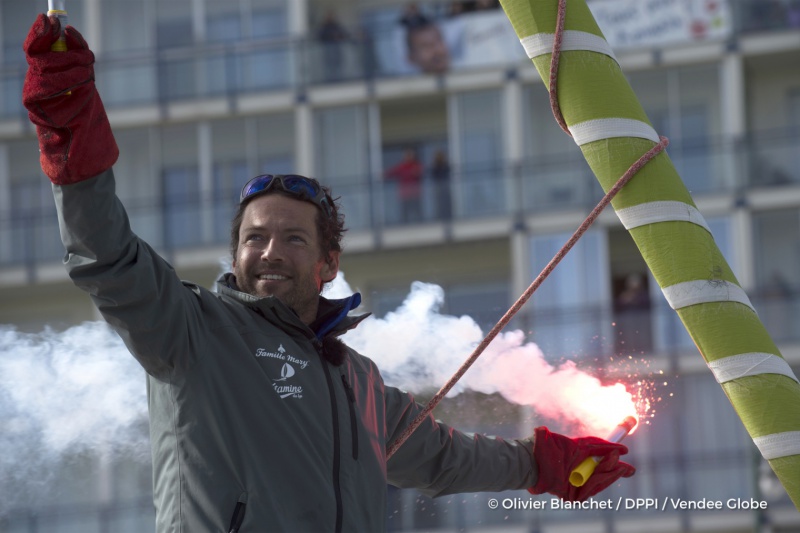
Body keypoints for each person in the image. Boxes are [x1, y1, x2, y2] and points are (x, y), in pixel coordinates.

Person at [23, 14, 635, 533]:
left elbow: (445, 458)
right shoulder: (192, 330)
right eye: (254, 238)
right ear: (235, 255)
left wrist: (543, 464)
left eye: (292, 239)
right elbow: (107, 255)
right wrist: (69, 127)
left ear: (327, 264)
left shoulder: (358, 382)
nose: (269, 252)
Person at [385, 147, 424, 223]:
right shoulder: (402, 166)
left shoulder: (416, 165)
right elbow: (392, 172)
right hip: (405, 194)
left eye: (410, 155)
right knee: (405, 212)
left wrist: (416, 172)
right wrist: (383, 175)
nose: (408, 157)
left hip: (414, 193)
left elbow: (421, 171)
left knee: (417, 211)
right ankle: (405, 223)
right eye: (407, 155)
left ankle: (419, 222)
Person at [317, 9, 350, 82]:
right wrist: (330, 36)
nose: (330, 17)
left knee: (338, 64)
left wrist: (338, 36)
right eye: (329, 15)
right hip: (328, 49)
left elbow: (344, 34)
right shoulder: (324, 26)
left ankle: (340, 79)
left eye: (331, 15)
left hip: (336, 49)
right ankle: (330, 80)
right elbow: (320, 37)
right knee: (329, 65)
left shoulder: (336, 25)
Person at [431, 150, 452, 220]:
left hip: (445, 188)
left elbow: (448, 174)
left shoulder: (445, 166)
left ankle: (448, 215)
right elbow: (434, 176)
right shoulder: (435, 167)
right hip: (439, 188)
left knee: (447, 203)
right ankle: (440, 216)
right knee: (439, 203)